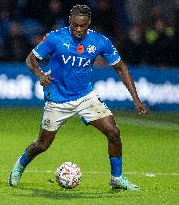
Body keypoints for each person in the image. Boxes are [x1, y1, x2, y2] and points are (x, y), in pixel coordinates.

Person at [9, 4, 148, 190]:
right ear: (69, 22)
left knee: (113, 132)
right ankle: (20, 165)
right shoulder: (55, 38)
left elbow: (121, 68)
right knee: (42, 145)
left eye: (82, 26)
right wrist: (40, 75)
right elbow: (30, 59)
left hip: (85, 96)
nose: (78, 29)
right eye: (75, 25)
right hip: (58, 98)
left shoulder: (100, 41)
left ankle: (116, 178)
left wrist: (136, 99)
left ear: (88, 23)